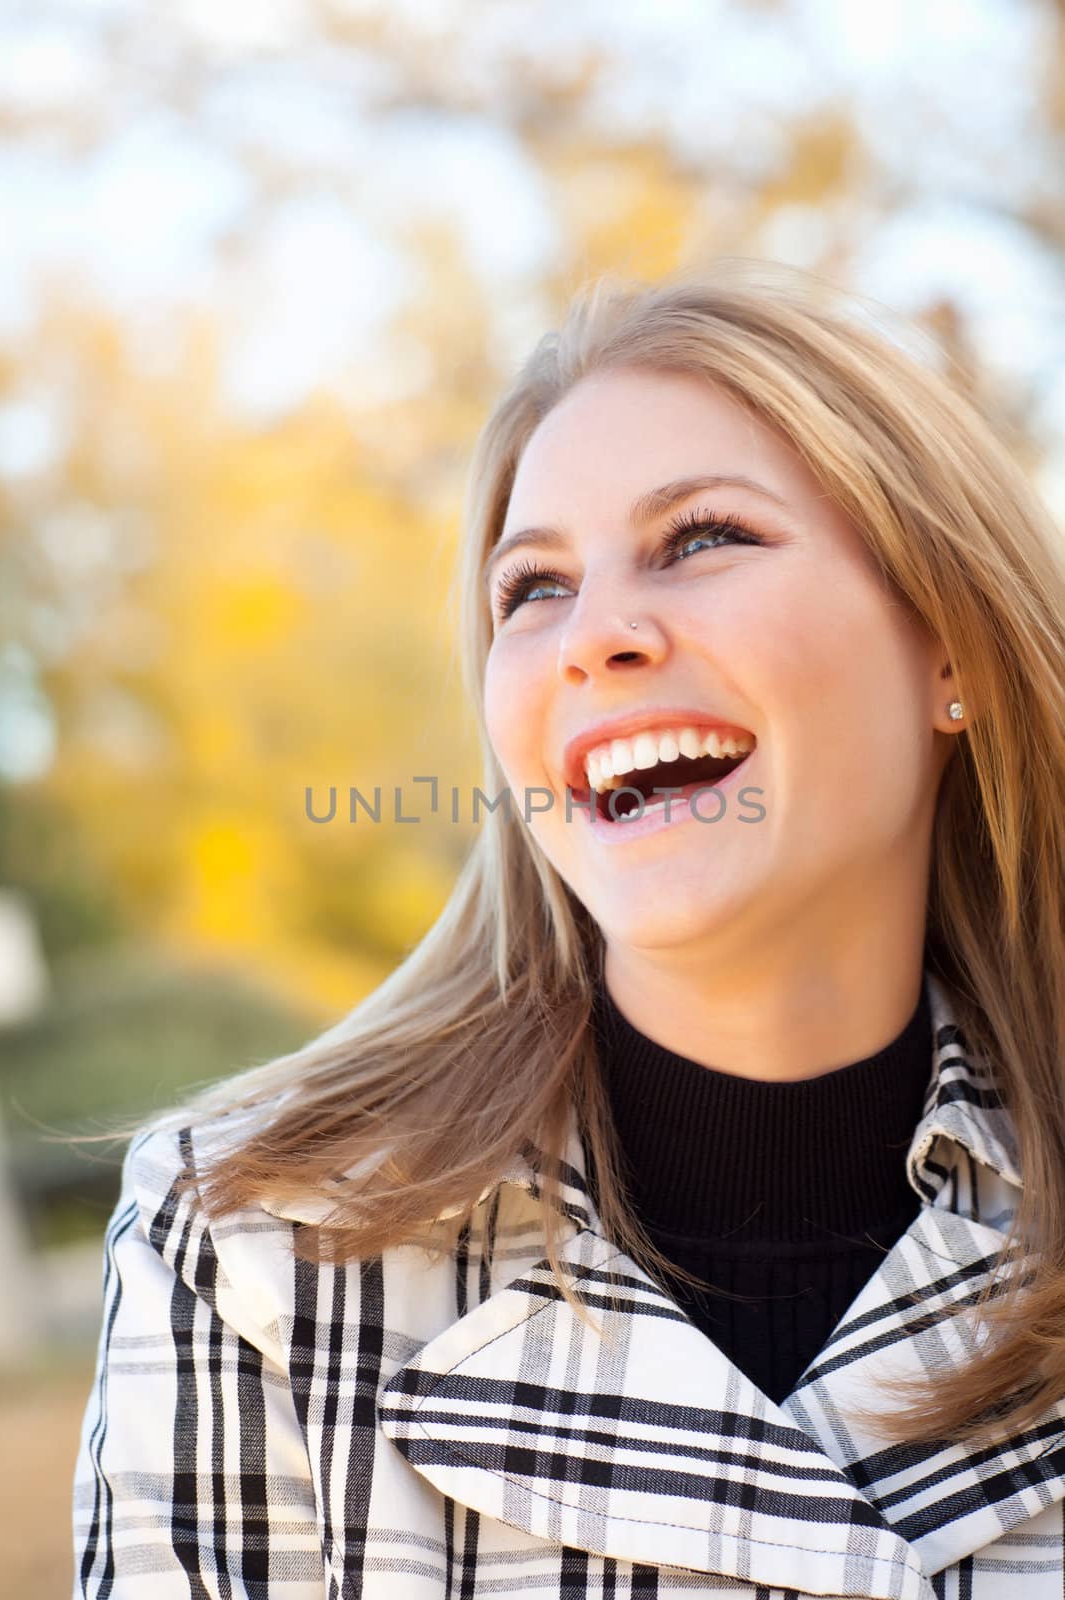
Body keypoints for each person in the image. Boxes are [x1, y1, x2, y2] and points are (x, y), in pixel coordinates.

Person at [72, 259, 1065, 1599]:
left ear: (954, 648)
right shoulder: (253, 1245)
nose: (594, 635)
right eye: (532, 588)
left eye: (705, 537)